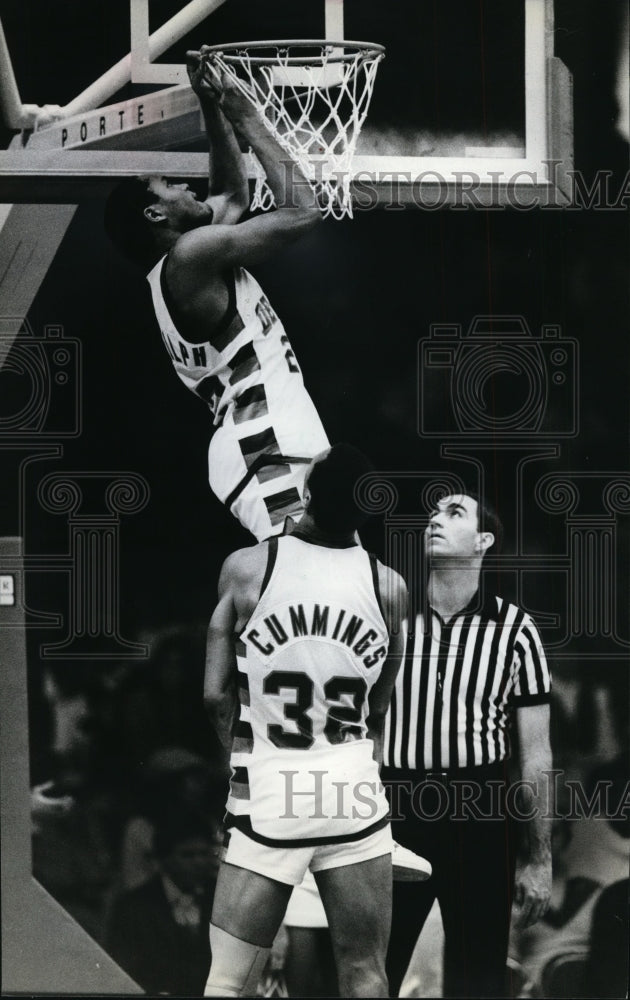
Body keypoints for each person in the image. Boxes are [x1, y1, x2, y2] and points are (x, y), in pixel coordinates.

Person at [202, 444, 409, 998]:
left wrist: (240, 762)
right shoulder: (390, 586)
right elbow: (380, 706)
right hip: (350, 792)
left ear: (308, 494)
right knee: (365, 971)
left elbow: (213, 694)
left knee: (228, 979)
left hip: (273, 789)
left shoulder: (250, 567)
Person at [104, 48, 329, 542]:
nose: (186, 186)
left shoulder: (186, 262)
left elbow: (231, 195)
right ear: (155, 215)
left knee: (326, 571)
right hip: (262, 438)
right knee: (301, 576)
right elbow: (303, 211)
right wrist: (246, 114)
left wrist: (211, 105)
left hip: (263, 434)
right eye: (170, 186)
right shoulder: (189, 259)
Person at [383, 491, 553, 998]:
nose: (434, 518)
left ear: (483, 541)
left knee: (478, 978)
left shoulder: (517, 630)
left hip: (478, 809)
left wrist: (538, 857)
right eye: (432, 510)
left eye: (453, 512)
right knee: (373, 968)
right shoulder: (389, 615)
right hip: (395, 803)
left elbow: (537, 755)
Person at [106, 812, 220, 996]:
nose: (199, 862)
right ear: (163, 859)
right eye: (188, 855)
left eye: (204, 854)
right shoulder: (133, 907)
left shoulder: (221, 898)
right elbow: (121, 969)